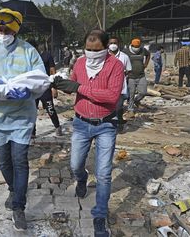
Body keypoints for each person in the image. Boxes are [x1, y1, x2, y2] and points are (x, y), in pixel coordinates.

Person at [0, 8, 46, 231]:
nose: (2, 30)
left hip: (22, 117)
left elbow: (41, 79)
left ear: (16, 27)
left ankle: (18, 207)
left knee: (20, 160)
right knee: (4, 162)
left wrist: (28, 92)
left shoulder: (29, 51)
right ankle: (14, 189)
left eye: (6, 27)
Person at [53, 29, 124, 237]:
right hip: (81, 123)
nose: (92, 53)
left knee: (103, 173)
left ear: (105, 47)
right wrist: (61, 83)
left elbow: (111, 97)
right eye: (88, 49)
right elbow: (73, 85)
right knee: (75, 164)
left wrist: (79, 87)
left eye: (97, 50)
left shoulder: (115, 66)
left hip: (106, 125)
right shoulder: (80, 63)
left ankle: (100, 215)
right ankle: (82, 178)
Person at [29, 40, 62, 137]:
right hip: (32, 88)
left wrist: (54, 87)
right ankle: (32, 132)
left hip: (44, 87)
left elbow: (52, 70)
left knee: (50, 108)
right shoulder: (27, 58)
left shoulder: (46, 56)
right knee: (32, 111)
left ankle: (57, 127)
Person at [108, 36, 132, 132]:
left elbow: (129, 70)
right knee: (108, 108)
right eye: (111, 43)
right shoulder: (104, 56)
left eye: (115, 43)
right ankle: (109, 125)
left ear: (118, 44)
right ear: (108, 44)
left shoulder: (124, 57)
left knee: (118, 107)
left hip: (120, 88)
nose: (113, 45)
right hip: (106, 88)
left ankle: (119, 123)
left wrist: (122, 76)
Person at [124, 38, 150, 117]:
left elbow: (148, 55)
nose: (136, 48)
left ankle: (136, 101)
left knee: (143, 92)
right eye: (135, 46)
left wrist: (145, 64)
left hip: (141, 75)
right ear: (131, 45)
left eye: (137, 46)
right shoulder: (126, 51)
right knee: (131, 93)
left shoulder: (143, 50)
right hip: (131, 76)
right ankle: (130, 109)